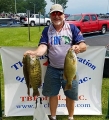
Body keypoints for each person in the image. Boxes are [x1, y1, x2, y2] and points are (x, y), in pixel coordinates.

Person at [24, 4, 87, 120]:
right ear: (50, 16)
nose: (56, 16)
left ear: (64, 15)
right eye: (54, 14)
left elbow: (83, 45)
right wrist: (36, 53)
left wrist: (79, 47)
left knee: (70, 95)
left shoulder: (72, 28)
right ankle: (53, 117)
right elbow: (43, 46)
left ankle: (70, 117)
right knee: (52, 95)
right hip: (52, 69)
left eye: (59, 13)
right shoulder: (47, 30)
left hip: (70, 70)